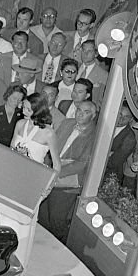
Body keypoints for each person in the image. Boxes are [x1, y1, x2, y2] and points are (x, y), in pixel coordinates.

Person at [39, 100, 99, 240]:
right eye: (79, 110)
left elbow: (82, 164)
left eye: (86, 112)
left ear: (93, 116)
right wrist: (47, 167)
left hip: (67, 184)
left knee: (57, 220)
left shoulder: (95, 134)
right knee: (42, 215)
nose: (80, 114)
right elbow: (50, 146)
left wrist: (56, 172)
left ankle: (58, 247)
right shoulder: (67, 123)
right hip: (50, 174)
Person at [10, 92, 61, 171]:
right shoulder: (20, 124)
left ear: (38, 111)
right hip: (13, 168)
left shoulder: (48, 133)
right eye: (23, 107)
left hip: (34, 173)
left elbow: (56, 165)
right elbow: (11, 149)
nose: (24, 112)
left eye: (28, 110)